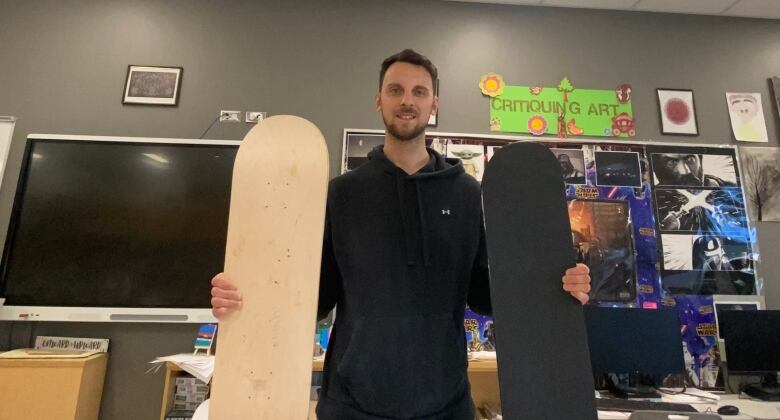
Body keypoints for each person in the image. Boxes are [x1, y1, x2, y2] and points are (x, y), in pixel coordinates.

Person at [210, 49, 591, 420]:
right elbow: (315, 297)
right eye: (396, 90)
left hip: (446, 404)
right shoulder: (342, 193)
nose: (407, 101)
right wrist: (248, 299)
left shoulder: (465, 194)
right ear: (379, 100)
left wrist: (553, 288)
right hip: (351, 405)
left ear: (434, 105)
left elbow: (485, 295)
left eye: (419, 92)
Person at [652, 153, 736, 187]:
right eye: (672, 162)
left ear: (701, 161)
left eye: (690, 160)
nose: (685, 171)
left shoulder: (731, 194)